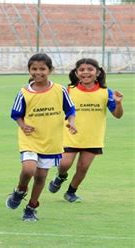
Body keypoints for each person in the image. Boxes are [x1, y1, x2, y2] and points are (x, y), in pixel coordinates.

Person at [5, 53, 77, 222]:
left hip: (51, 140)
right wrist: (23, 125)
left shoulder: (59, 90)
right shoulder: (24, 92)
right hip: (30, 138)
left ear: (50, 70)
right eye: (34, 69)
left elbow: (70, 110)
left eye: (42, 69)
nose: (38, 72)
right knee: (29, 169)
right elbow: (16, 114)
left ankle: (31, 207)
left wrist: (71, 123)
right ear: (29, 70)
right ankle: (20, 190)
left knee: (41, 177)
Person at [48, 58, 124, 202]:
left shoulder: (106, 92)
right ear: (76, 73)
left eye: (90, 69)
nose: (86, 72)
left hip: (93, 137)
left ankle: (71, 192)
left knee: (83, 168)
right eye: (82, 70)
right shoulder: (69, 90)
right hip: (70, 134)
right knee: (64, 164)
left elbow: (118, 115)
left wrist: (118, 104)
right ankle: (61, 176)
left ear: (98, 72)